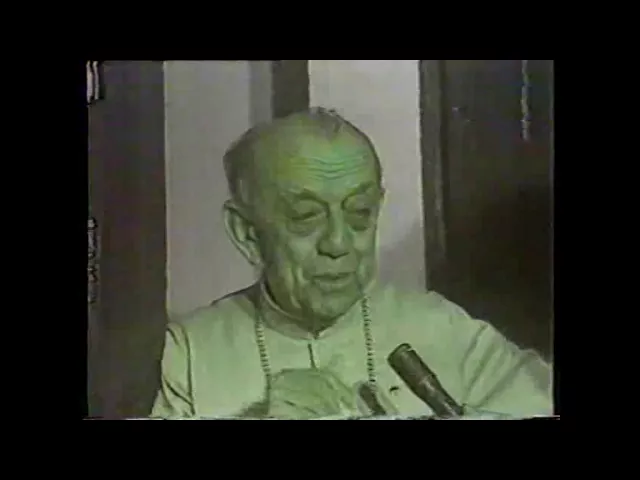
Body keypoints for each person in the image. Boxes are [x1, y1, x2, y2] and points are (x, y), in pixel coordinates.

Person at [150, 107, 553, 419]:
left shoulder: (448, 332)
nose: (339, 244)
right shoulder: (188, 354)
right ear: (247, 233)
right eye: (306, 217)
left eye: (359, 213)